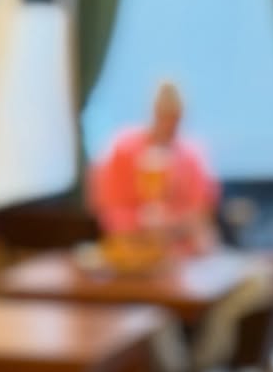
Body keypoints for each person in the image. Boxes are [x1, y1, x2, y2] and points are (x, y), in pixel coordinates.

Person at [89, 82, 217, 254]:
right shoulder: (124, 149)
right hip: (132, 252)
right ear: (153, 112)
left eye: (175, 117)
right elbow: (108, 212)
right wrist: (140, 222)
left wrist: (174, 225)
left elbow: (201, 213)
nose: (169, 124)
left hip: (181, 255)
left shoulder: (193, 156)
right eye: (164, 115)